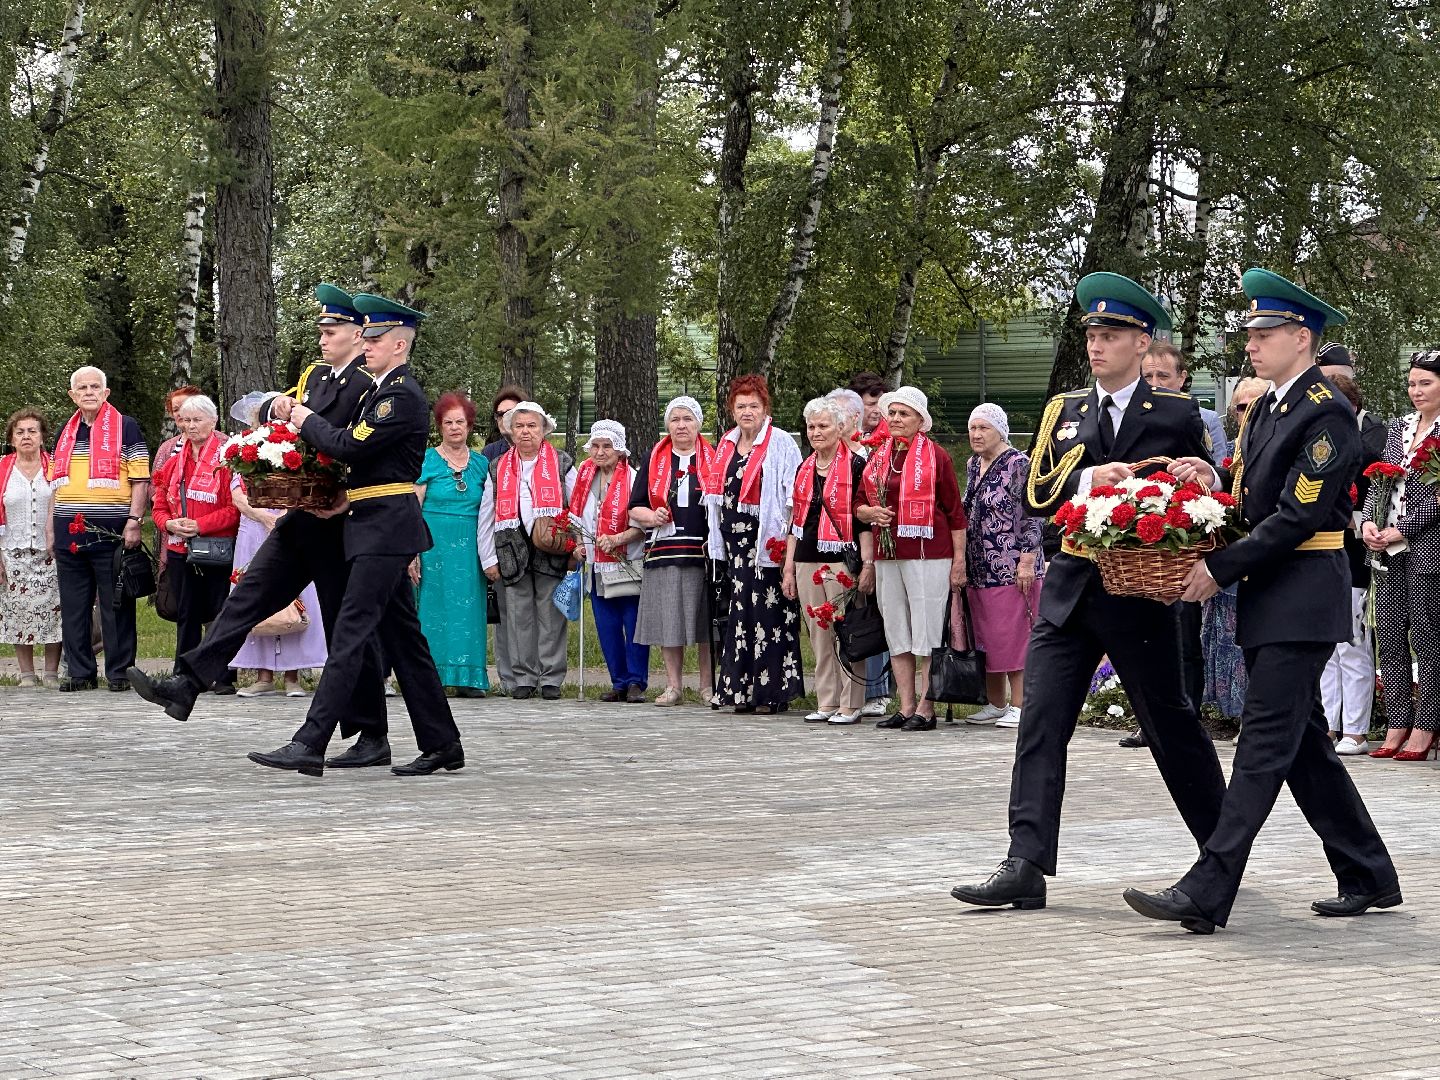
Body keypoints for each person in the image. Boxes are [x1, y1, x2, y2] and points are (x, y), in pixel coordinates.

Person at [1124, 268, 1399, 934]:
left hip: (1303, 593)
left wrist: (1217, 567)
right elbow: (1256, 501)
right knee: (1303, 744)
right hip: (1273, 593)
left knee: (1262, 748)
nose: (1252, 342)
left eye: (1264, 331)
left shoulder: (1325, 411)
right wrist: (1209, 478)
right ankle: (1368, 871)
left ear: (1300, 338)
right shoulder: (1274, 407)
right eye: (1250, 331)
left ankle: (1207, 887)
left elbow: (1298, 517)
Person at [950, 272, 1226, 913]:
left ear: (1142, 344)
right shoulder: (1064, 412)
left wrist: (1206, 472)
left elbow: (1210, 501)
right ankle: (1025, 862)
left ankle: (1221, 853)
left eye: (1110, 336)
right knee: (1041, 726)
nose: (1097, 346)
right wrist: (1087, 478)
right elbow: (1034, 495)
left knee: (1171, 727)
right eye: (1092, 335)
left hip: (1141, 598)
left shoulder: (1179, 415)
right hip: (1069, 592)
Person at [128, 285, 390, 769]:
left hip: (338, 520)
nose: (323, 338)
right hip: (298, 513)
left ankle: (372, 734)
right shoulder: (316, 376)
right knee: (246, 596)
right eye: (321, 330)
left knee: (345, 628)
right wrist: (272, 415)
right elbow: (275, 416)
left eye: (332, 331)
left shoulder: (368, 383)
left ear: (358, 334)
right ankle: (187, 683)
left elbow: (356, 447)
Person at [246, 292, 466, 777]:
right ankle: (443, 742)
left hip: (385, 530)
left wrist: (301, 417)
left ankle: (310, 741)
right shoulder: (378, 390)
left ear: (400, 346)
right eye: (364, 336)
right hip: (371, 523)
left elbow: (347, 445)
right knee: (406, 643)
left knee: (348, 633)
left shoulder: (400, 396)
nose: (366, 344)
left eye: (376, 338)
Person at [854, 386, 967, 731]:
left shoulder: (937, 456)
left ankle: (926, 707)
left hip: (928, 554)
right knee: (898, 630)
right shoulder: (877, 458)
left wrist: (959, 561)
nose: (896, 419)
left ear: (921, 420)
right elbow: (857, 508)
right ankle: (904, 706)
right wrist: (871, 512)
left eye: (904, 414)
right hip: (888, 555)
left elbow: (954, 513)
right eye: (893, 413)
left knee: (928, 630)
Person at [49, 365, 151, 692]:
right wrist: (51, 531)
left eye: (95, 387)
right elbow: (56, 486)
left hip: (112, 533)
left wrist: (134, 521)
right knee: (74, 608)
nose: (89, 392)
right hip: (69, 535)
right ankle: (80, 673)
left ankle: (120, 673)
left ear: (106, 393)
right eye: (82, 388)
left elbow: (140, 479)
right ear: (72, 395)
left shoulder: (126, 427)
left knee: (115, 605)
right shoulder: (63, 432)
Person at [706, 374, 803, 713]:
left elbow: (794, 496)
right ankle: (741, 692)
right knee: (740, 616)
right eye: (741, 405)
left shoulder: (780, 443)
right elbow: (717, 497)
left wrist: (787, 540)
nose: (747, 412)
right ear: (732, 410)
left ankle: (770, 693)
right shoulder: (727, 444)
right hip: (735, 545)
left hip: (766, 544)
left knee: (769, 615)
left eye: (754, 406)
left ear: (765, 409)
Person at [1362, 351, 1440, 760]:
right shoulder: (1399, 427)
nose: (1416, 391)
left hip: (1428, 546)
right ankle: (1396, 722)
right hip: (1387, 547)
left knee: (1426, 638)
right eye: (1412, 383)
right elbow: (1380, 478)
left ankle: (1426, 727)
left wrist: (1403, 528)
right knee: (1389, 636)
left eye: (1425, 383)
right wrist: (1369, 524)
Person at [477, 401, 577, 700]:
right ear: (510, 431)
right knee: (518, 615)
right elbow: (486, 514)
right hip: (511, 548)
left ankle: (551, 678)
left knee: (550, 614)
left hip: (550, 547)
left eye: (532, 426)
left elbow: (578, 506)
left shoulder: (561, 462)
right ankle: (523, 677)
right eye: (519, 426)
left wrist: (577, 545)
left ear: (543, 430)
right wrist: (488, 558)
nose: (525, 432)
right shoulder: (497, 467)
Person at [782, 397, 872, 725]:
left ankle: (851, 703)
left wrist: (867, 564)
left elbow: (864, 523)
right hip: (807, 557)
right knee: (818, 633)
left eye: (823, 426)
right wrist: (788, 568)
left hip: (841, 559)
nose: (816, 432)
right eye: (811, 427)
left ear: (839, 428)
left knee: (844, 630)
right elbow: (794, 523)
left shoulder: (856, 466)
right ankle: (827, 700)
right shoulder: (804, 468)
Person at [629, 396, 716, 706]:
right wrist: (652, 517)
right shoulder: (653, 459)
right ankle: (673, 686)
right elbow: (635, 506)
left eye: (688, 419)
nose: (681, 425)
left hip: (703, 552)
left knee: (706, 621)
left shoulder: (714, 458)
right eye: (675, 419)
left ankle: (708, 686)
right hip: (664, 550)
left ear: (698, 424)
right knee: (669, 619)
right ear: (667, 425)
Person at [961, 403, 1043, 729]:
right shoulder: (973, 465)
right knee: (987, 637)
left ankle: (1020, 705)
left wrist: (1027, 560)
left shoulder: (1018, 464)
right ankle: (994, 703)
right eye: (973, 429)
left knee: (1014, 635)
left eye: (984, 428)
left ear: (1001, 431)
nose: (977, 435)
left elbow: (1033, 513)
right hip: (979, 566)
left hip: (1011, 565)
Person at [149, 395, 240, 680]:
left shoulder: (226, 460)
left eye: (197, 420)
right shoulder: (172, 463)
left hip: (217, 546)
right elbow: (159, 508)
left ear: (213, 422)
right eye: (185, 420)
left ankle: (222, 676)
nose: (191, 426)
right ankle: (184, 674)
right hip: (180, 548)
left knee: (219, 612)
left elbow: (234, 511)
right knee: (186, 614)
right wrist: (171, 524)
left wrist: (200, 525)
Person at [1197, 377, 1267, 730]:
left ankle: (1253, 720)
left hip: (1263, 559)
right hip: (1229, 560)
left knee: (1255, 644)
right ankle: (1239, 717)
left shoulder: (1273, 442)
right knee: (1226, 640)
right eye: (1242, 406)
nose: (1249, 412)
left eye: (1258, 403)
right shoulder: (1234, 451)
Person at [414, 391, 490, 697]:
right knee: (431, 611)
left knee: (469, 612)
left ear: (470, 426)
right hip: (432, 546)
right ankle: (430, 678)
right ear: (440, 426)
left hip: (470, 548)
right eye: (449, 422)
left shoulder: (483, 464)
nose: (455, 427)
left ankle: (469, 678)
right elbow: (412, 507)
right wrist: (412, 552)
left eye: (460, 422)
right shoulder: (427, 460)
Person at [1322, 373, 1381, 754]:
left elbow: (1379, 506)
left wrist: (1351, 517)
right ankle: (1328, 724)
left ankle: (1356, 730)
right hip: (1322, 552)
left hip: (1355, 553)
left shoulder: (1369, 447)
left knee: (1352, 643)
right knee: (1327, 646)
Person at [228, 475, 327, 697]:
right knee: (255, 597)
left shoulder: (294, 449)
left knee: (296, 598)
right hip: (253, 530)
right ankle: (264, 677)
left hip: (291, 524)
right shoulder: (246, 447)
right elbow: (237, 494)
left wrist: (286, 515)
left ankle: (293, 676)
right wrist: (262, 516)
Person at [571, 420, 648, 702]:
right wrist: (579, 544)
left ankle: (637, 682)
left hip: (627, 560)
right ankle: (618, 681)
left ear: (619, 450)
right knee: (606, 625)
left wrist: (616, 540)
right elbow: (576, 518)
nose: (600, 452)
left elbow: (643, 526)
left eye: (607, 446)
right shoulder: (583, 477)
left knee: (633, 622)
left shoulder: (633, 478)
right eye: (596, 446)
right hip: (597, 564)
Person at [0, 408, 62, 687]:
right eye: (20, 432)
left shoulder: (56, 466)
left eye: (32, 431)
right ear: (12, 438)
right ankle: (26, 674)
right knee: (16, 611)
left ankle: (51, 672)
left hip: (50, 553)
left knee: (54, 610)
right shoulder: (2, 468)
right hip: (11, 551)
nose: (26, 436)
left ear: (42, 437)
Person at [847, 372, 894, 717]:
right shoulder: (846, 439)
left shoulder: (888, 442)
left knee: (879, 614)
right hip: (847, 538)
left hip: (882, 538)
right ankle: (855, 689)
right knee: (858, 614)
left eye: (879, 403)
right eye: (869, 403)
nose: (875, 410)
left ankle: (880, 690)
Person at [480, 384, 530, 692]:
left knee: (535, 614)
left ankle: (535, 675)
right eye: (501, 414)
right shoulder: (490, 455)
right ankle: (509, 678)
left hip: (537, 544)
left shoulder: (543, 450)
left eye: (513, 413)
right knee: (505, 615)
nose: (506, 419)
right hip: (503, 546)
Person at [1142, 342, 1229, 459]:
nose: (1154, 383)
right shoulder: (1131, 417)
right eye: (1147, 377)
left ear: (1181, 378)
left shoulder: (1208, 420)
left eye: (1163, 376)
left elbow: (1219, 469)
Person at [155, 385, 203, 472]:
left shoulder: (222, 441)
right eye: (176, 410)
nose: (180, 412)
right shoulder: (166, 448)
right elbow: (156, 483)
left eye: (185, 406)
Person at [482, 384, 529, 463]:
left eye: (509, 413)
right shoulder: (489, 452)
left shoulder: (542, 451)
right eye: (500, 414)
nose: (504, 418)